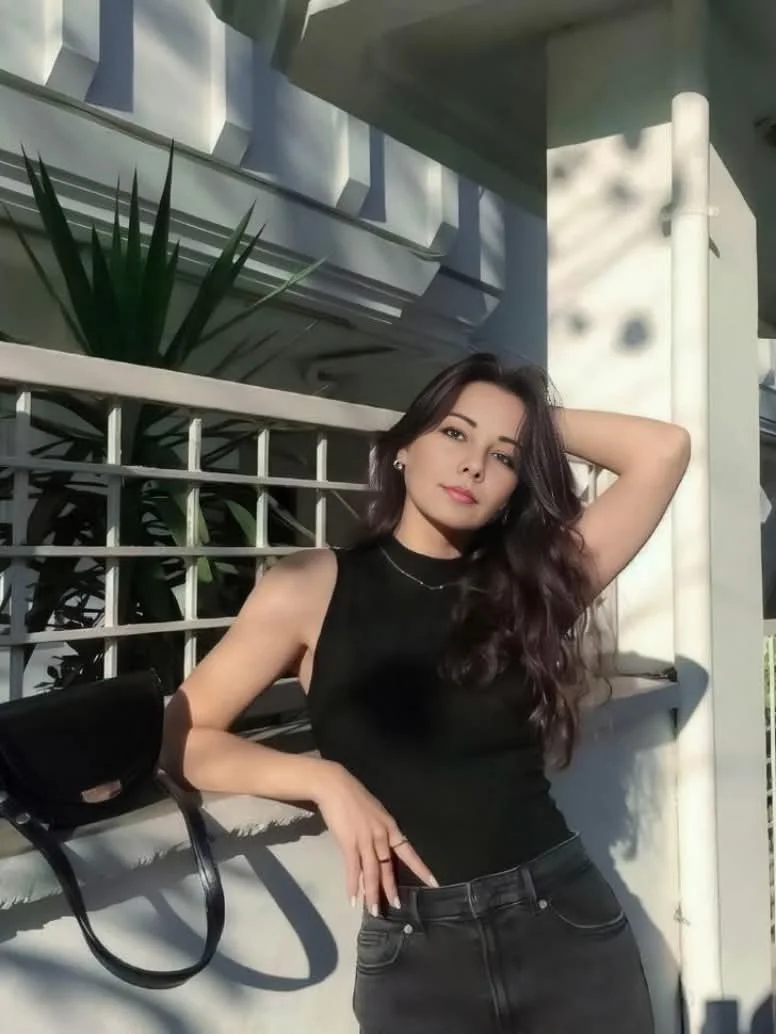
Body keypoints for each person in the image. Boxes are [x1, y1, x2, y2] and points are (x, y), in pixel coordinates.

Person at [162, 352, 690, 1033]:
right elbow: (182, 736)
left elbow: (662, 450)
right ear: (403, 448)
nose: (473, 465)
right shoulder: (310, 587)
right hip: (415, 953)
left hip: (561, 924)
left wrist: (530, 421)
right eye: (454, 432)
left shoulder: (533, 585)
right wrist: (322, 780)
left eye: (503, 457)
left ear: (515, 487)